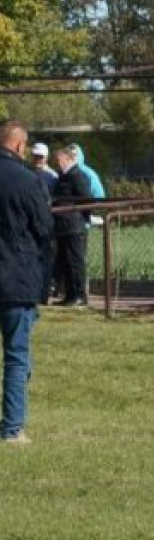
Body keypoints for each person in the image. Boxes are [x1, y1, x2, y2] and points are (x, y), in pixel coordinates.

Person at [0, 121, 53, 443]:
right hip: (17, 277)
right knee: (17, 355)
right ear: (20, 146)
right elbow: (44, 227)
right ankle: (12, 427)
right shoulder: (27, 180)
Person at [52, 146, 92, 307]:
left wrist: (81, 218)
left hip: (73, 225)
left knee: (75, 262)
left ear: (68, 159)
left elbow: (86, 200)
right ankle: (70, 295)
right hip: (62, 226)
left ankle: (79, 295)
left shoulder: (77, 176)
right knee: (65, 261)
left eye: (59, 160)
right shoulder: (63, 177)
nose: (57, 163)